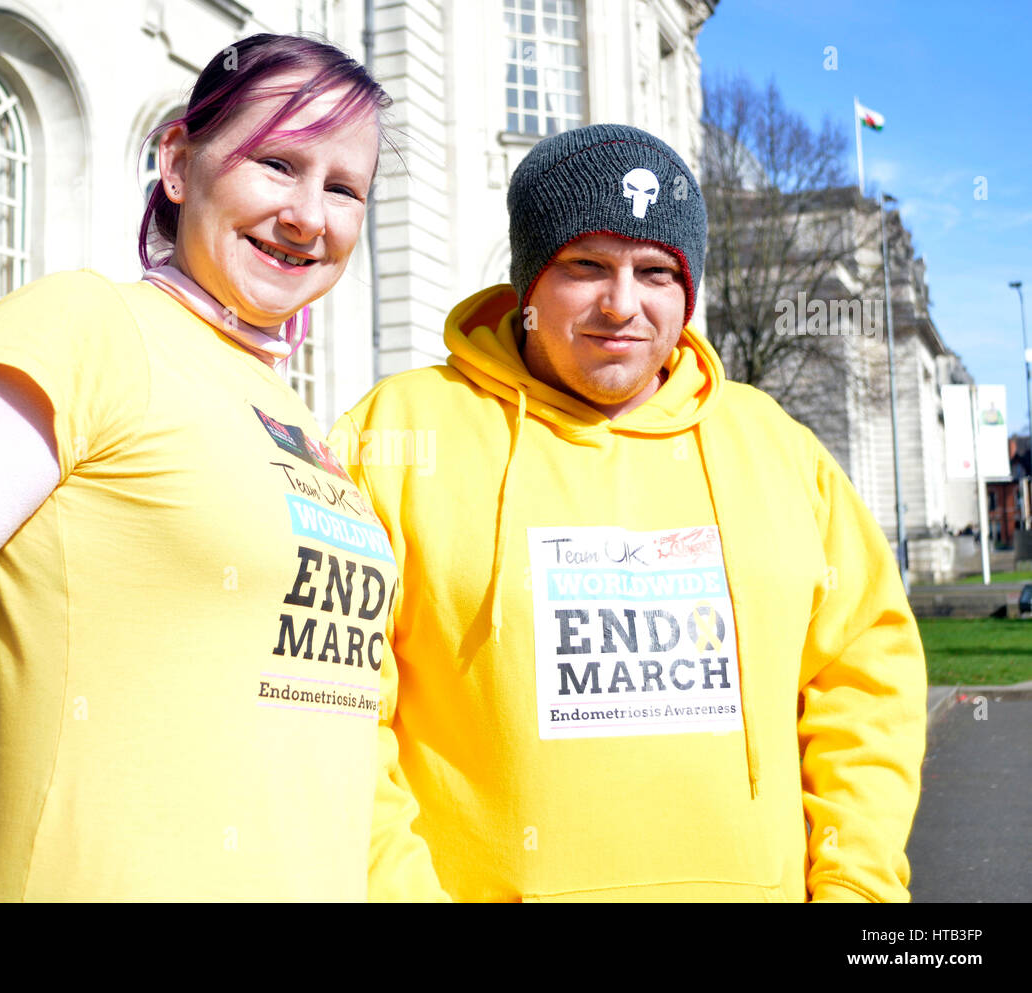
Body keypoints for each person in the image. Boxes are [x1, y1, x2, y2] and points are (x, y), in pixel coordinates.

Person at [0, 33, 442, 901]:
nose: (311, 214)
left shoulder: (299, 417)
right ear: (176, 162)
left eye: (344, 187)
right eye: (277, 163)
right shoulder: (87, 328)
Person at [331, 123, 927, 902]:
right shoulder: (396, 437)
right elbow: (335, 712)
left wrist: (858, 887)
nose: (623, 304)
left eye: (655, 271)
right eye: (585, 265)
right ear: (528, 283)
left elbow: (864, 677)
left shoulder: (778, 450)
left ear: (688, 291)